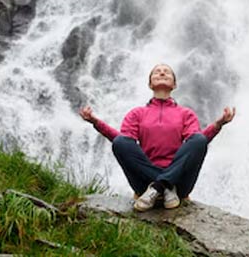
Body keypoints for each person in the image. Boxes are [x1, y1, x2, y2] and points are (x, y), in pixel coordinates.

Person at [79, 63, 236, 211]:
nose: (162, 72)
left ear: (174, 85)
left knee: (199, 140)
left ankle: (160, 186)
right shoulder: (137, 113)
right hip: (144, 183)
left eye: (167, 72)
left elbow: (197, 144)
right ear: (150, 85)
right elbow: (124, 143)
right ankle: (164, 187)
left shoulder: (185, 114)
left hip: (180, 183)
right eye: (157, 72)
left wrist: (219, 123)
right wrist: (95, 122)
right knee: (121, 142)